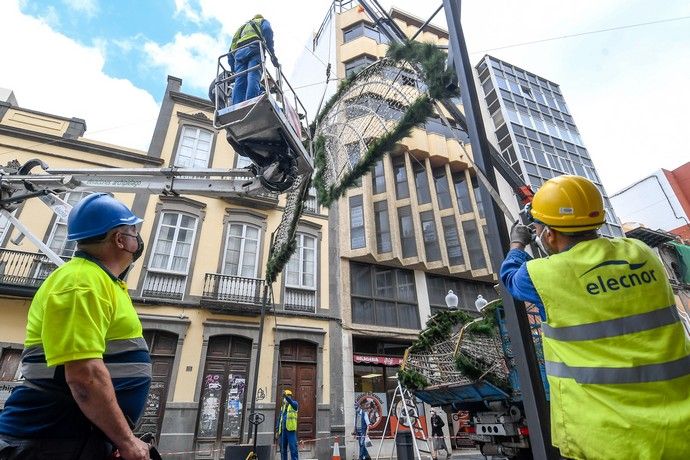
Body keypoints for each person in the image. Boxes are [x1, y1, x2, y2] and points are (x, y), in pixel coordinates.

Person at [501, 174, 690, 460]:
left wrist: (517, 245)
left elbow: (511, 277)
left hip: (611, 437)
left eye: (540, 228)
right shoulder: (641, 253)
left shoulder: (544, 275)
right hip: (679, 427)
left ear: (549, 234)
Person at [0, 193, 152, 460]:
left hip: (70, 438)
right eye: (133, 232)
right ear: (119, 240)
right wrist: (126, 441)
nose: (137, 239)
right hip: (47, 442)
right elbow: (84, 376)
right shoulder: (81, 284)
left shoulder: (101, 282)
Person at [228, 14, 277, 106]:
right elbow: (267, 30)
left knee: (239, 80)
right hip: (255, 48)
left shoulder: (242, 28)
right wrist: (272, 54)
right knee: (253, 76)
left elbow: (231, 49)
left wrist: (233, 68)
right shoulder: (262, 21)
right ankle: (251, 102)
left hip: (239, 53)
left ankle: (237, 105)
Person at [276, 389, 299, 460]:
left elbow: (291, 402)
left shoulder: (294, 404)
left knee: (293, 449)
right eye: (284, 397)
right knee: (283, 450)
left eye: (289, 396)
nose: (285, 399)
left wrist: (286, 396)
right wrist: (277, 430)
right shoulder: (282, 407)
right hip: (282, 431)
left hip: (290, 430)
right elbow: (279, 418)